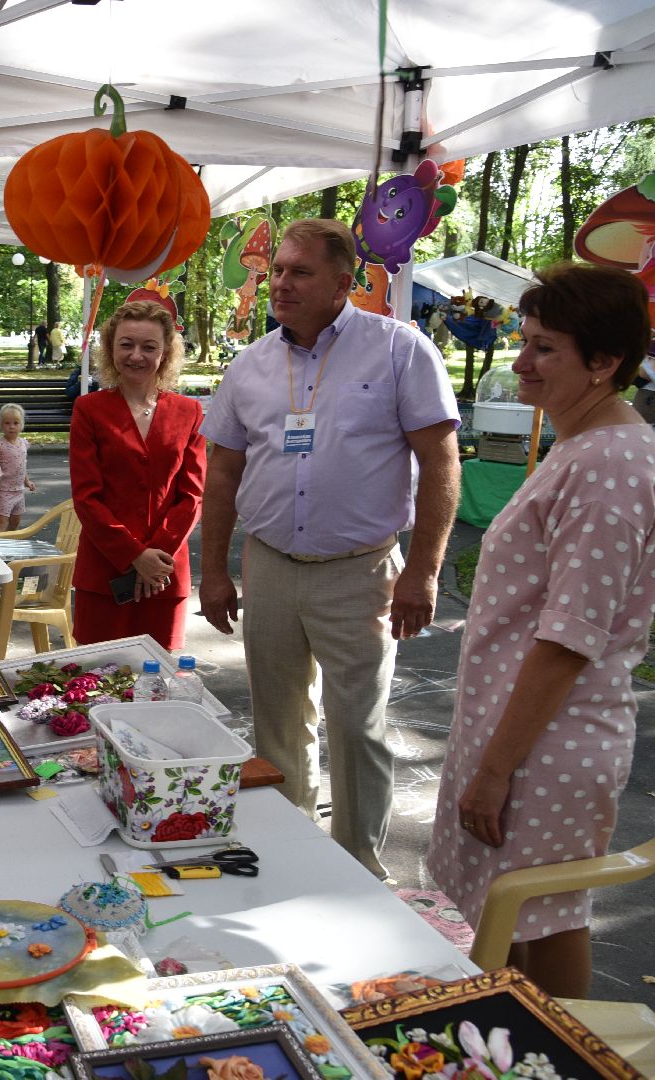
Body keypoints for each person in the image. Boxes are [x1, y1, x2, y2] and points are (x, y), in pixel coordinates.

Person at [428, 264, 655, 997]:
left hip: (548, 744)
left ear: (604, 362)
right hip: (525, 734)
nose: (520, 364)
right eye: (524, 343)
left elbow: (569, 637)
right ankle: (520, 1050)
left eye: (544, 349)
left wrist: (496, 770)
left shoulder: (611, 465)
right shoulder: (584, 445)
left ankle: (562, 1057)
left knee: (544, 922)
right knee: (515, 926)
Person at [198, 218, 460, 879]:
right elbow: (223, 471)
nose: (280, 283)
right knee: (278, 726)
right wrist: (214, 572)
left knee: (356, 730)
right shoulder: (251, 364)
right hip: (271, 567)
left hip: (360, 572)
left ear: (342, 283)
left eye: (299, 272)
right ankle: (291, 856)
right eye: (278, 270)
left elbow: (440, 462)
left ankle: (357, 870)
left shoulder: (400, 351)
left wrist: (423, 572)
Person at [70, 300, 207, 651]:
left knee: (159, 686)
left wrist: (155, 558)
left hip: (164, 575)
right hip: (104, 577)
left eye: (149, 347)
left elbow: (192, 495)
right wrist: (134, 555)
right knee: (96, 684)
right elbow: (87, 498)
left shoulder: (188, 411)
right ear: (111, 348)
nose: (136, 356)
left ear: (166, 353)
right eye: (126, 344)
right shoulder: (89, 410)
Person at [0, 403, 37, 532]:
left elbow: (22, 465)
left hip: (19, 491)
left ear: (21, 425)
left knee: (15, 522)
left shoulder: (23, 443)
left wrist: (27, 481)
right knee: (1, 523)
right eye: (7, 423)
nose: (11, 427)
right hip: (3, 491)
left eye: (15, 423)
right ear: (1, 425)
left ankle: (10, 545)